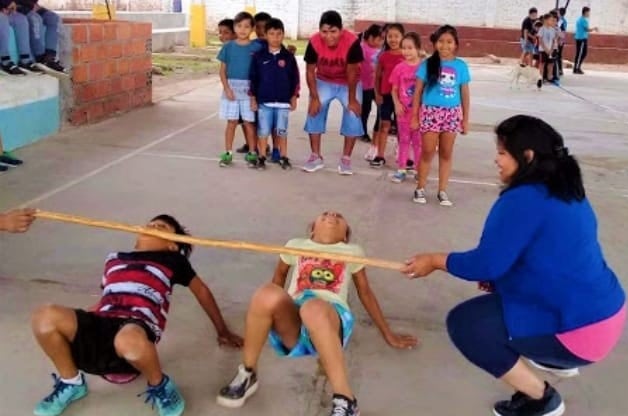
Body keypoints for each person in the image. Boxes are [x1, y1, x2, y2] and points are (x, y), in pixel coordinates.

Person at [402, 114, 627, 416]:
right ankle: (550, 357)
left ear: (528, 156)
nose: (496, 160)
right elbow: (540, 256)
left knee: (466, 324)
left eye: (502, 153)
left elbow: (485, 264)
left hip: (579, 332)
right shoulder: (564, 188)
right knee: (498, 297)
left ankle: (541, 399)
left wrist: (434, 260)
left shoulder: (523, 199)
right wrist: (499, 279)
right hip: (606, 313)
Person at [30, 214, 243, 416]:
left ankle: (159, 385)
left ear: (172, 245)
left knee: (128, 339)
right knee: (45, 316)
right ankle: (71, 382)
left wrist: (222, 330)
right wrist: (79, 322)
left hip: (137, 326)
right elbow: (109, 296)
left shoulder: (173, 262)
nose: (153, 226)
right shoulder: (113, 259)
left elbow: (202, 291)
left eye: (162, 227)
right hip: (103, 321)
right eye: (150, 224)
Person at [216, 211, 417, 416]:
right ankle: (248, 373)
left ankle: (346, 400)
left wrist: (387, 333)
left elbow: (365, 292)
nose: (331, 215)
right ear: (312, 230)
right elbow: (278, 278)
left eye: (339, 216)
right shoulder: (296, 244)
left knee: (313, 308)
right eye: (325, 214)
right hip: (295, 318)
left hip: (331, 317)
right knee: (266, 293)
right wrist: (263, 313)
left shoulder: (352, 251)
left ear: (345, 235)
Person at [411, 25, 471, 207]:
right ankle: (420, 187)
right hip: (430, 112)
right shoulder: (427, 64)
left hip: (452, 115)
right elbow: (418, 92)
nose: (445, 46)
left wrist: (465, 119)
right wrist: (415, 116)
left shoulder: (461, 66)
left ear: (456, 44)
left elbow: (465, 94)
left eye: (449, 42)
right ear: (435, 43)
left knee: (446, 153)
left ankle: (442, 190)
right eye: (441, 42)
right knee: (428, 151)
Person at [302, 10, 364, 175]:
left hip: (348, 82)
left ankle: (346, 159)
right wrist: (314, 98)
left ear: (341, 30)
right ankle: (315, 156)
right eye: (324, 31)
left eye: (333, 31)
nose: (328, 36)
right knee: (314, 111)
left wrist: (352, 99)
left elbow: (352, 72)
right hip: (324, 80)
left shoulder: (351, 42)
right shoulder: (314, 42)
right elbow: (309, 71)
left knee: (353, 113)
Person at [249, 18, 300, 171]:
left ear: (283, 35)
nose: (275, 37)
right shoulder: (259, 57)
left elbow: (295, 79)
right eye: (271, 34)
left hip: (283, 103)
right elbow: (253, 78)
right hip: (264, 102)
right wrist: (253, 98)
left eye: (279, 34)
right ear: (265, 35)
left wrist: (294, 97)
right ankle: (262, 157)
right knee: (263, 131)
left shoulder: (288, 57)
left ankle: (284, 157)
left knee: (282, 131)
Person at [217, 12, 263, 167]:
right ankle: (228, 153)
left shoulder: (256, 47)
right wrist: (227, 88)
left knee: (249, 122)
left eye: (246, 26)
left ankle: (252, 152)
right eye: (239, 26)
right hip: (232, 89)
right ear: (234, 27)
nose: (242, 29)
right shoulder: (228, 47)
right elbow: (222, 71)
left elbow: (260, 71)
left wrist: (255, 94)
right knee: (232, 121)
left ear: (252, 29)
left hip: (249, 91)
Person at [389, 32, 422, 183]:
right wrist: (397, 104)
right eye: (404, 48)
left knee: (418, 142)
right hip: (403, 112)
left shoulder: (424, 68)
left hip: (419, 113)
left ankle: (418, 170)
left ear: (418, 49)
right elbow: (394, 89)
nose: (407, 51)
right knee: (403, 140)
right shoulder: (399, 68)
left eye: (410, 48)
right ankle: (401, 169)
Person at [372, 23, 405, 168]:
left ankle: (403, 155)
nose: (393, 39)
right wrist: (377, 93)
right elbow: (377, 76)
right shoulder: (383, 56)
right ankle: (380, 155)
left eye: (396, 36)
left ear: (402, 37)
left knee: (401, 126)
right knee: (384, 124)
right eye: (389, 36)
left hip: (402, 98)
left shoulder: (407, 55)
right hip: (385, 95)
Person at [15, 0, 65, 73]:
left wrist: (33, 4)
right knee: (35, 19)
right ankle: (40, 58)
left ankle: (49, 57)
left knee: (53, 18)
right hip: (12, 4)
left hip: (29, 5)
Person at [0, 0, 42, 74]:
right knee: (2, 19)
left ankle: (24, 60)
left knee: (21, 20)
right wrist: (5, 4)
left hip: (6, 9)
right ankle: (5, 61)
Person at [358, 24, 383, 144]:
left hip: (377, 86)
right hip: (364, 86)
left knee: (381, 108)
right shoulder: (362, 48)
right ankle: (362, 131)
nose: (381, 42)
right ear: (371, 38)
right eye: (379, 39)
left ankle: (378, 131)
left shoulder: (381, 50)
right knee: (365, 109)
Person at [573, 6, 598, 75]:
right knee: (581, 53)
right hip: (582, 38)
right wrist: (594, 28)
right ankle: (576, 68)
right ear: (585, 12)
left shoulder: (579, 19)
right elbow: (587, 29)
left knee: (580, 53)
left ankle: (577, 67)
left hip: (580, 38)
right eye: (588, 12)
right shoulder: (583, 20)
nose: (589, 14)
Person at [537, 13, 559, 85]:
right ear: (546, 20)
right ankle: (541, 78)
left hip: (550, 50)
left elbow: (553, 40)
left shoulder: (552, 30)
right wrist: (546, 49)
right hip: (543, 50)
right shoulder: (542, 29)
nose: (552, 21)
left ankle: (549, 78)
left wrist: (551, 49)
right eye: (550, 20)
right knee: (542, 64)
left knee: (550, 64)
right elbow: (540, 40)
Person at [556, 7, 567, 76]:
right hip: (560, 40)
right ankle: (559, 69)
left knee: (558, 55)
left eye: (557, 12)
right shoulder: (562, 20)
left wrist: (560, 40)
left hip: (560, 40)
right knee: (558, 55)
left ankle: (559, 70)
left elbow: (562, 31)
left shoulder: (561, 21)